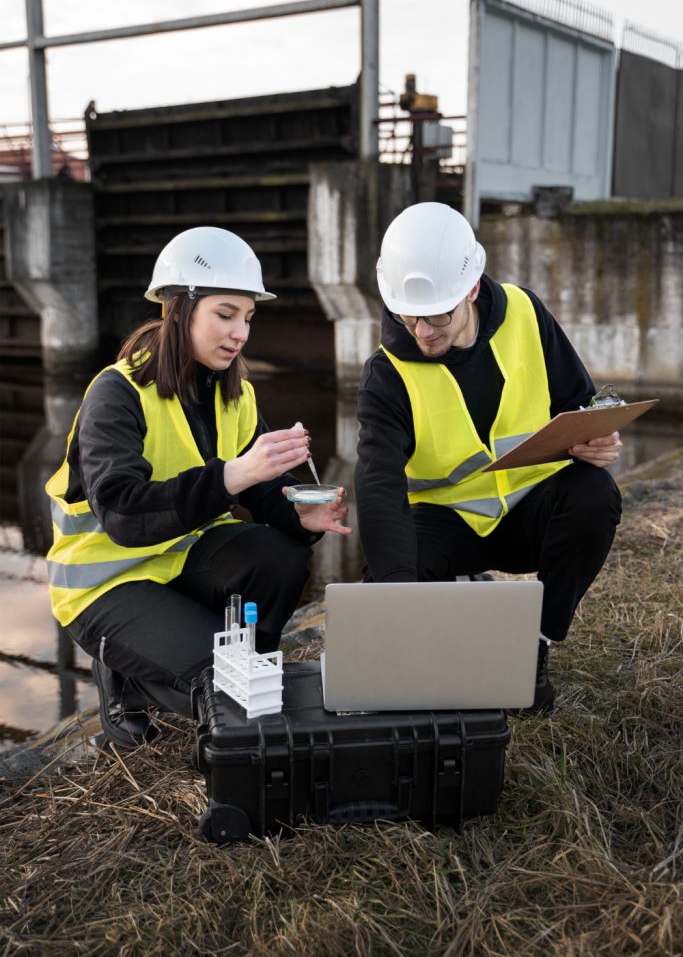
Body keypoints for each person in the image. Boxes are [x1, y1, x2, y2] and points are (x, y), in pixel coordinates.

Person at [46, 226, 351, 748]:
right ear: (177, 309)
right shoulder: (115, 394)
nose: (240, 334)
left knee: (278, 555)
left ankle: (238, 690)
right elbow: (122, 513)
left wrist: (296, 513)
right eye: (225, 314)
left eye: (248, 318)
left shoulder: (237, 393)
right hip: (104, 585)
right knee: (225, 683)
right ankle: (128, 685)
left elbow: (262, 487)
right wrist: (235, 473)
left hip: (180, 561)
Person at [355, 203, 623, 714]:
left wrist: (597, 440)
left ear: (472, 289)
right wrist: (394, 603)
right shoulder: (385, 377)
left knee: (594, 495)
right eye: (407, 315)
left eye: (438, 315)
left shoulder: (525, 313)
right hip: (446, 523)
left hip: (530, 512)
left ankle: (533, 650)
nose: (423, 332)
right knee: (391, 572)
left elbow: (578, 404)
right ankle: (427, 664)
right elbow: (379, 488)